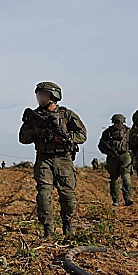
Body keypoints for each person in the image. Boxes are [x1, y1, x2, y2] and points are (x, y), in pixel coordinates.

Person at [19, 82, 87, 241]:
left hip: (64, 160)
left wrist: (68, 138)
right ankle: (48, 231)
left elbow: (82, 135)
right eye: (38, 95)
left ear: (53, 97)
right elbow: (23, 138)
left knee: (68, 197)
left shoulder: (67, 115)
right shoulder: (34, 117)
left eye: (43, 95)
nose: (40, 98)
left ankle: (67, 222)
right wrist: (41, 133)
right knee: (43, 195)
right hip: (44, 159)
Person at [98, 114, 134, 207]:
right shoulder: (107, 133)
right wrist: (109, 153)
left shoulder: (128, 132)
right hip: (112, 157)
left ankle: (128, 198)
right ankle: (116, 200)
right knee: (114, 179)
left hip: (125, 155)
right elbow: (101, 145)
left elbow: (134, 144)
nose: (119, 125)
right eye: (117, 123)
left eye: (120, 123)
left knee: (126, 178)